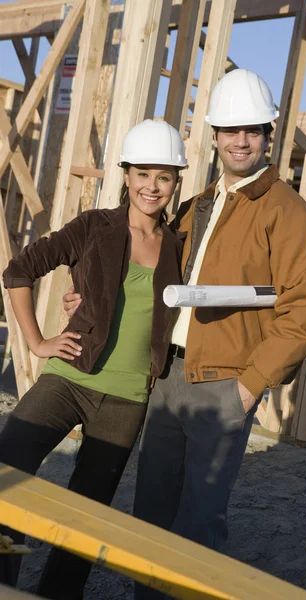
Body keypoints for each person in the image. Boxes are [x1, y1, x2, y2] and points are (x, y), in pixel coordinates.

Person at [65, 69, 306, 599]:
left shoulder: (289, 215)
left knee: (200, 517)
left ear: (267, 135)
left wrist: (250, 384)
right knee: (153, 509)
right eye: (229, 130)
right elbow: (149, 273)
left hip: (223, 384)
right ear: (212, 136)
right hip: (167, 375)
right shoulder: (193, 207)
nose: (239, 140)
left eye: (251, 130)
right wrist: (90, 298)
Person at [0, 119, 187, 599]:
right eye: (142, 173)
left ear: (175, 183)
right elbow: (19, 271)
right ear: (126, 175)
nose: (152, 186)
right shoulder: (94, 227)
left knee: (89, 514)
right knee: (8, 469)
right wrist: (38, 341)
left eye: (163, 176)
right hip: (69, 378)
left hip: (127, 398)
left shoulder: (181, 250)